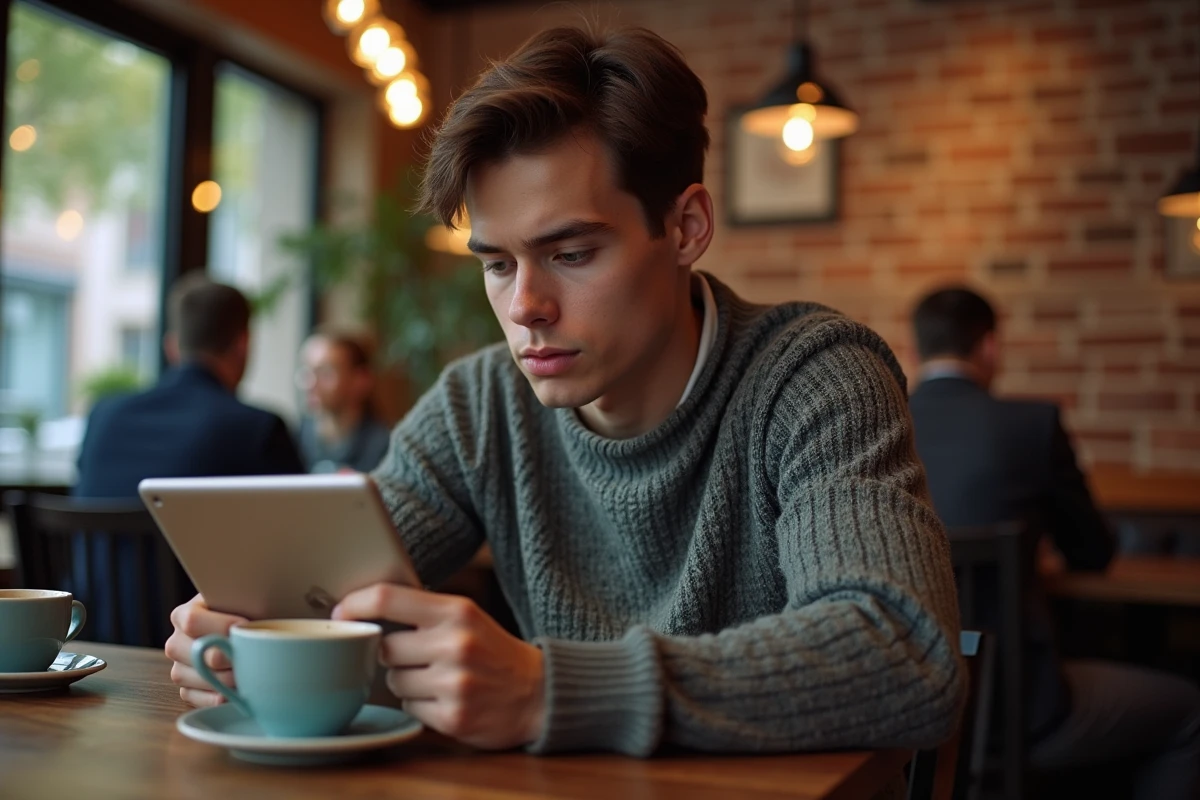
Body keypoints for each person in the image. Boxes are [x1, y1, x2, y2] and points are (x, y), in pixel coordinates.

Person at [165, 26, 965, 764]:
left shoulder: (814, 376)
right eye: (498, 264)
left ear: (685, 227)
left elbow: (902, 652)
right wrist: (249, 634)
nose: (525, 307)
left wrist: (552, 689)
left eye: (572, 252)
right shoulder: (479, 406)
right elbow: (330, 592)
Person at [909, 286, 1200, 800]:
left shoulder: (880, 425)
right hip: (1016, 709)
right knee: (1189, 711)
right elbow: (1093, 553)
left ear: (915, 350)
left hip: (906, 708)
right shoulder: (1032, 425)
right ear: (990, 347)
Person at [75, 273, 305, 643]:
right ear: (243, 345)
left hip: (90, 649)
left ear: (172, 347)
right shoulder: (257, 428)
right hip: (200, 651)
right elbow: (303, 549)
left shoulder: (103, 416)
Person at [295, 330, 391, 474]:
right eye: (307, 371)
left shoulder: (385, 449)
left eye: (326, 373)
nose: (310, 383)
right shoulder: (293, 440)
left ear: (361, 380)